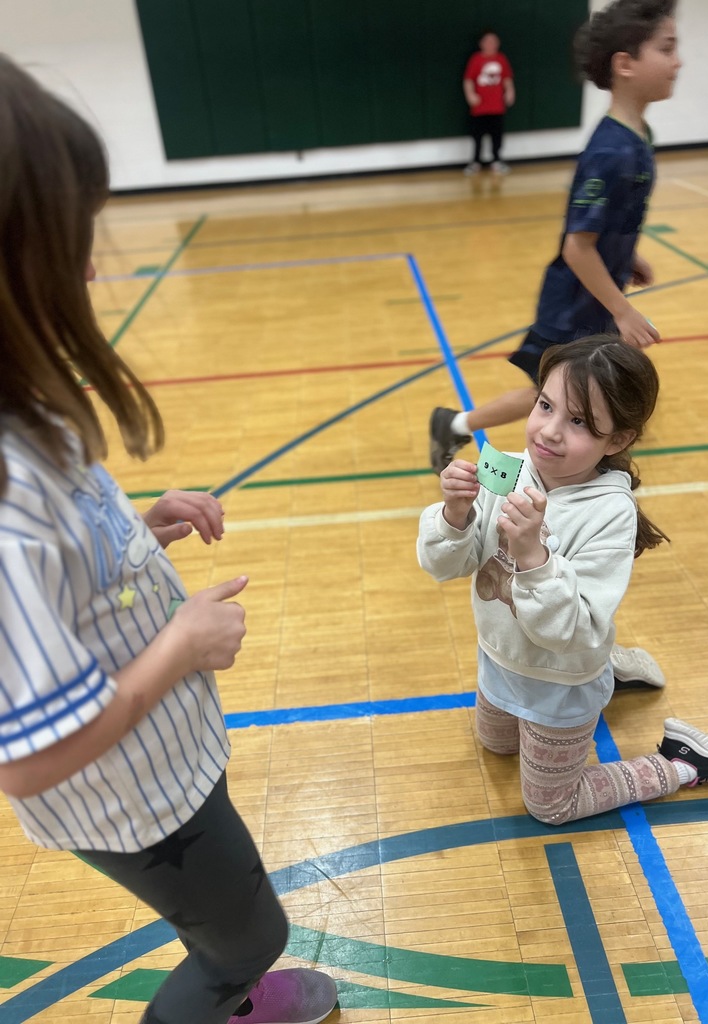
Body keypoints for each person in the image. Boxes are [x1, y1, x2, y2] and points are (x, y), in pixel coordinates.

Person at [0, 57, 337, 1024]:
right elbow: (23, 760)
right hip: (127, 793)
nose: (90, 269)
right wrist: (181, 644)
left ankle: (233, 996)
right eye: (69, 242)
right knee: (247, 940)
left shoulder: (24, 408)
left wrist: (134, 531)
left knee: (222, 921)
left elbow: (57, 579)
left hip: (155, 764)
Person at [418, 336, 708, 824]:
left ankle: (683, 762)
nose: (549, 431)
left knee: (550, 806)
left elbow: (568, 631)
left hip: (562, 676)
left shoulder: (610, 514)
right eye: (545, 406)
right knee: (496, 744)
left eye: (579, 422)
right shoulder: (512, 470)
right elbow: (444, 566)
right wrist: (454, 517)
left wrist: (533, 556)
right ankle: (614, 664)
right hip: (500, 657)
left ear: (618, 440)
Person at [432, 0, 681, 463]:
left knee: (574, 394)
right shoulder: (611, 152)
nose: (678, 61)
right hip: (572, 308)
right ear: (625, 64)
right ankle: (455, 426)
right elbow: (577, 248)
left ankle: (460, 426)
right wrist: (624, 310)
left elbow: (603, 225)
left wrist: (626, 255)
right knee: (552, 397)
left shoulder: (637, 138)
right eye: (666, 49)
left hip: (593, 302)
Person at [462, 30, 515, 175]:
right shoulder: (476, 59)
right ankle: (476, 162)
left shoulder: (501, 59)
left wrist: (510, 91)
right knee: (477, 136)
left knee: (497, 135)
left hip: (497, 106)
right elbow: (468, 80)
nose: (491, 44)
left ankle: (496, 160)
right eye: (488, 41)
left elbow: (507, 78)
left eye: (494, 42)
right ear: (481, 44)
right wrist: (470, 95)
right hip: (479, 107)